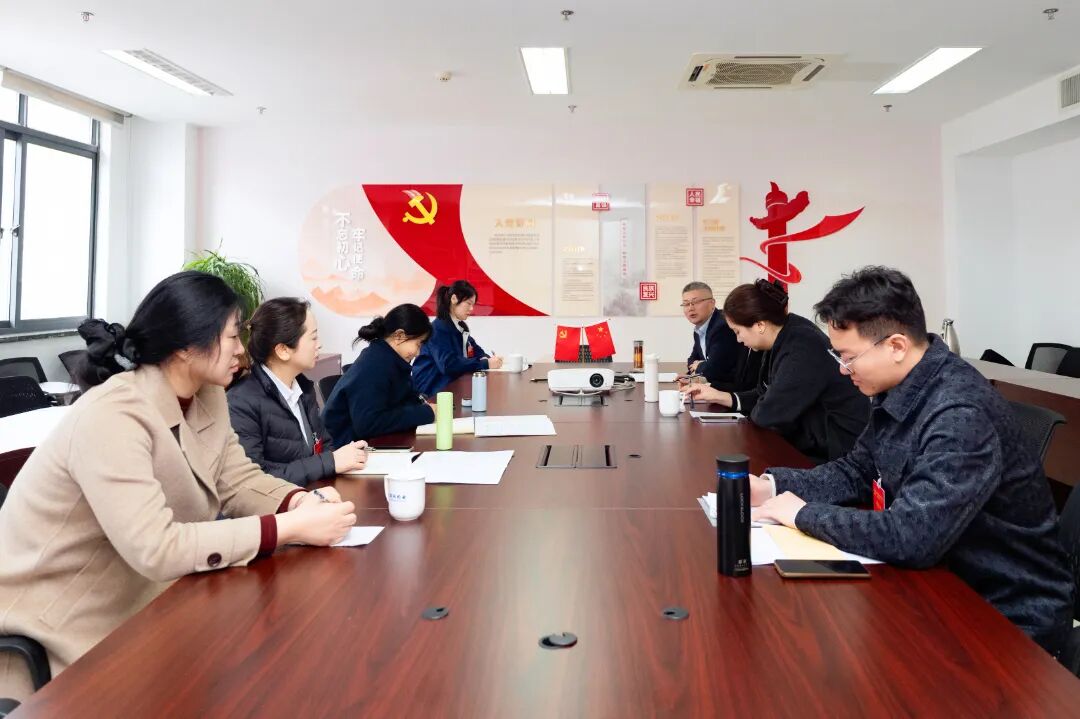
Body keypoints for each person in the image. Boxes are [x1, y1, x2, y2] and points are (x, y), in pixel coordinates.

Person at [0, 272, 356, 702]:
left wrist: (297, 501)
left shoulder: (208, 394)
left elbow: (236, 478)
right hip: (68, 626)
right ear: (186, 346)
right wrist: (288, 528)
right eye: (232, 336)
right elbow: (156, 547)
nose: (242, 350)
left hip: (148, 598)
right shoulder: (113, 414)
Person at [750, 266, 1073, 656]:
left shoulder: (960, 413)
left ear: (897, 346)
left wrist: (803, 514)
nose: (841, 369)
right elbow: (858, 470)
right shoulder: (900, 386)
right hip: (942, 584)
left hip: (1006, 616)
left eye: (848, 357)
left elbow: (912, 536)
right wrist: (773, 486)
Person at [682, 279, 869, 462]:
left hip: (836, 454)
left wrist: (759, 404)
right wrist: (720, 396)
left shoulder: (802, 345)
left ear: (760, 325)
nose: (738, 340)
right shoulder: (782, 335)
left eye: (738, 332)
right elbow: (765, 394)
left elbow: (769, 413)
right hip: (811, 441)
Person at [227, 297, 368, 486]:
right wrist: (330, 462)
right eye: (313, 337)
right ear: (283, 350)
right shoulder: (241, 402)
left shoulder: (302, 387)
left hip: (314, 493)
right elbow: (255, 481)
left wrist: (343, 458)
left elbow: (324, 445)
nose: (319, 345)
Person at [322, 303, 436, 445]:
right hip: (345, 448)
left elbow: (403, 400)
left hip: (367, 442)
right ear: (399, 336)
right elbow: (369, 424)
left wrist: (422, 407)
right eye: (418, 344)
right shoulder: (374, 365)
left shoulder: (390, 360)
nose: (418, 353)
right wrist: (426, 413)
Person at [412, 280, 503, 395]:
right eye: (468, 303)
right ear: (454, 299)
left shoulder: (459, 327)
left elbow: (477, 351)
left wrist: (488, 359)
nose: (471, 309)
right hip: (431, 392)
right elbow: (448, 365)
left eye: (473, 305)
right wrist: (486, 363)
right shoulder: (438, 329)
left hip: (450, 389)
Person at [681, 281, 760, 391]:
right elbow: (692, 360)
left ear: (712, 303)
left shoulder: (723, 325)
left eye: (696, 302)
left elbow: (714, 370)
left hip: (737, 391)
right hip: (719, 388)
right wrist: (695, 372)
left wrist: (699, 366)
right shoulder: (699, 329)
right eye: (686, 304)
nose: (690, 308)